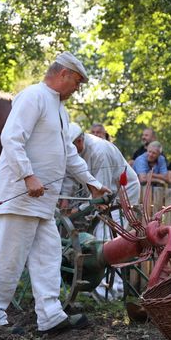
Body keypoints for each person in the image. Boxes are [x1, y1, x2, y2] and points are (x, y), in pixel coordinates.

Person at [0, 51, 111, 334]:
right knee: (10, 257)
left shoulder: (60, 111)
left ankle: (50, 315)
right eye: (77, 81)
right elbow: (11, 138)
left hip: (41, 201)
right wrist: (28, 175)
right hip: (21, 195)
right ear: (63, 74)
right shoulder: (33, 97)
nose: (78, 88)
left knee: (49, 254)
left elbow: (67, 154)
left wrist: (91, 182)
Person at [67, 123, 141, 299]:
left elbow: (102, 194)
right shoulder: (75, 151)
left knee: (106, 237)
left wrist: (77, 209)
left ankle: (107, 291)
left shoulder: (99, 151)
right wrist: (65, 201)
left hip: (123, 191)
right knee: (102, 235)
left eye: (72, 147)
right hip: (105, 193)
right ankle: (108, 288)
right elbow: (69, 178)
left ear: (79, 140)